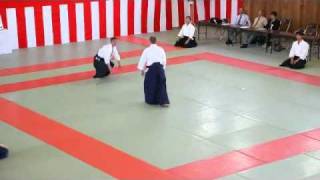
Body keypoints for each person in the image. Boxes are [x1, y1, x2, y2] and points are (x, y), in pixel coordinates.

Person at [138, 36, 170, 107]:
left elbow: (143, 60)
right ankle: (163, 101)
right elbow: (164, 60)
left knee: (149, 84)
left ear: (149, 41)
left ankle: (151, 100)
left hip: (151, 70)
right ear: (156, 41)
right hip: (160, 68)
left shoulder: (146, 50)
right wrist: (162, 69)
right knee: (161, 84)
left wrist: (142, 70)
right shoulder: (161, 49)